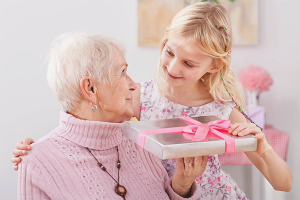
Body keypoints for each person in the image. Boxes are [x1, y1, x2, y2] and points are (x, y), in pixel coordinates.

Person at [12, 2, 293, 200]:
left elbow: (284, 184)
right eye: (169, 52)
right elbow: (86, 116)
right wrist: (35, 150)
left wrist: (264, 147)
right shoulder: (139, 96)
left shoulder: (222, 109)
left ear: (214, 67)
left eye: (188, 63)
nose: (172, 68)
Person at [13, 33, 207, 200]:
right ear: (90, 88)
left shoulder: (140, 141)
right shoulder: (36, 163)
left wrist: (182, 184)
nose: (133, 84)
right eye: (122, 73)